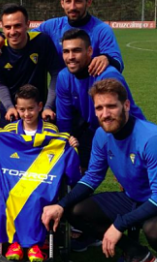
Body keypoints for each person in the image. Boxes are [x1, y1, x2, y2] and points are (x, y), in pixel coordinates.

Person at [41, 79, 157, 262]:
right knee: (76, 211)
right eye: (99, 108)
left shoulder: (152, 138)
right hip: (134, 199)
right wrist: (60, 205)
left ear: (126, 106)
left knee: (156, 230)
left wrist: (119, 225)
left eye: (111, 106)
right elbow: (92, 177)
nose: (105, 114)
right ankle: (137, 253)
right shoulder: (102, 135)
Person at [0, 84, 81, 262]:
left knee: (37, 196)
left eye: (31, 109)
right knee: (10, 194)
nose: (27, 114)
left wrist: (71, 146)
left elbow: (63, 153)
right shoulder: (8, 132)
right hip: (15, 180)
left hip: (40, 181)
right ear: (17, 109)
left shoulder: (52, 132)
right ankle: (15, 244)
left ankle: (35, 245)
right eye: (22, 109)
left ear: (40, 106)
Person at [0, 0, 124, 76]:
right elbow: (24, 36)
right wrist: (0, 35)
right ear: (62, 3)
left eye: (78, 1)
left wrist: (106, 59)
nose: (72, 7)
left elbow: (118, 63)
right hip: (62, 94)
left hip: (92, 95)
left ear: (88, 2)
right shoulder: (51, 26)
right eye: (68, 1)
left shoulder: (101, 30)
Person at [56, 28, 145, 172]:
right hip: (92, 129)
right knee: (78, 170)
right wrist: (65, 145)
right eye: (66, 51)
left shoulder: (108, 75)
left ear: (90, 51)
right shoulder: (63, 77)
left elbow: (125, 117)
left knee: (132, 178)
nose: (70, 56)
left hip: (124, 130)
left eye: (76, 50)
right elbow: (64, 120)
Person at [0, 4, 63, 128]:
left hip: (40, 112)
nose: (12, 32)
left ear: (27, 24)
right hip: (11, 113)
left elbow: (56, 74)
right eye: (8, 27)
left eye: (17, 25)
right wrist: (9, 107)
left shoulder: (42, 41)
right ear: (3, 28)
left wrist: (48, 106)